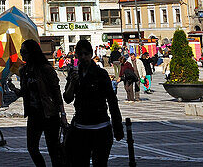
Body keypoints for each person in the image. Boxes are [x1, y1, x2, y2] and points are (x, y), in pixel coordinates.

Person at [63, 39, 124, 167]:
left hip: (101, 127)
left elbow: (112, 100)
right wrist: (73, 83)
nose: (83, 57)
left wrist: (117, 126)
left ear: (91, 54)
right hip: (81, 128)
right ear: (76, 56)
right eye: (80, 54)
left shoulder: (100, 73)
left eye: (86, 54)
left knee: (100, 163)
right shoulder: (74, 72)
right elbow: (67, 98)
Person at [14, 39, 67, 167]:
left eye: (24, 52)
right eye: (21, 52)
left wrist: (63, 114)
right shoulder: (24, 71)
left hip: (49, 114)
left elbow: (56, 91)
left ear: (32, 53)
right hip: (33, 114)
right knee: (31, 147)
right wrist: (13, 89)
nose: (22, 55)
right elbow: (25, 92)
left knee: (53, 149)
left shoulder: (45, 69)